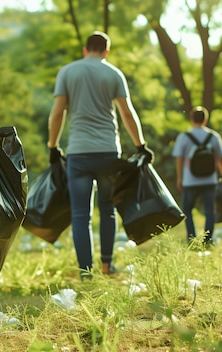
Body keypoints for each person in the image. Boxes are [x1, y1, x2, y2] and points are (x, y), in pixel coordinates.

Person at [47, 31, 153, 279]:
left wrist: (53, 146)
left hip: (79, 154)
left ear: (85, 50)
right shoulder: (113, 73)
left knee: (80, 214)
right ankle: (107, 266)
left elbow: (57, 113)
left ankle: (85, 272)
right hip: (108, 153)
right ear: (106, 51)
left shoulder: (68, 72)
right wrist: (140, 145)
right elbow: (127, 113)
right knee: (107, 209)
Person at [172, 106, 222, 246]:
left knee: (187, 210)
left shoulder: (184, 137)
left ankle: (191, 239)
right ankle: (207, 240)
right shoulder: (213, 136)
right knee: (210, 210)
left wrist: (180, 178)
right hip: (210, 179)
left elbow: (179, 159)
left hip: (190, 181)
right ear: (205, 120)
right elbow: (220, 158)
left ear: (191, 119)